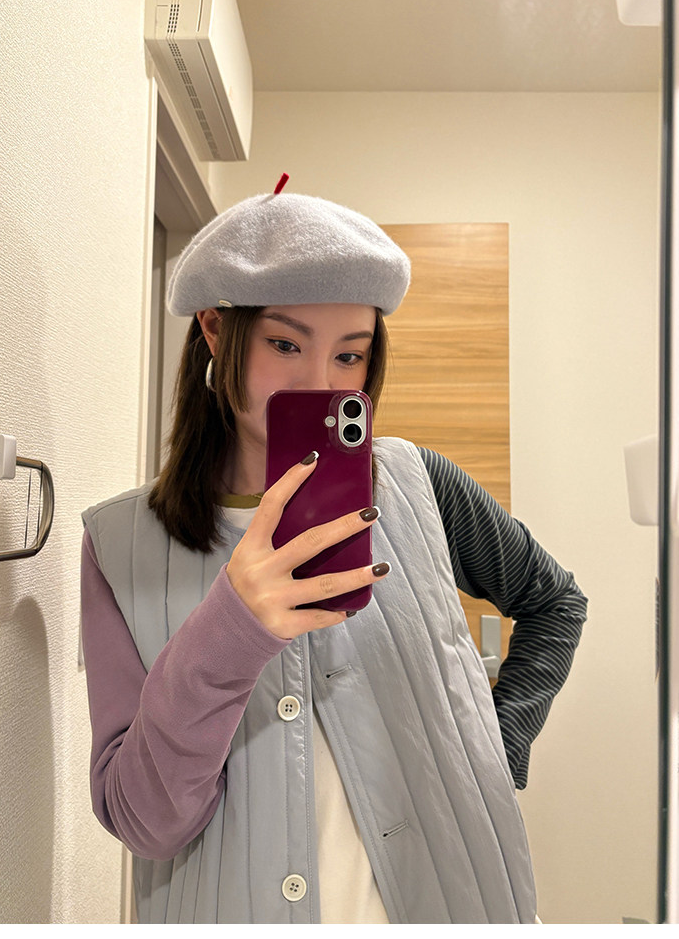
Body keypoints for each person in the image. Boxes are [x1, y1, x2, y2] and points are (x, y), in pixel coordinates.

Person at [80, 185, 587, 925]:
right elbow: (146, 822)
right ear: (216, 331)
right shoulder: (121, 545)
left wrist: (496, 748)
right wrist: (230, 626)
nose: (321, 383)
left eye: (349, 354)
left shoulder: (418, 484)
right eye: (285, 344)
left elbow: (554, 602)